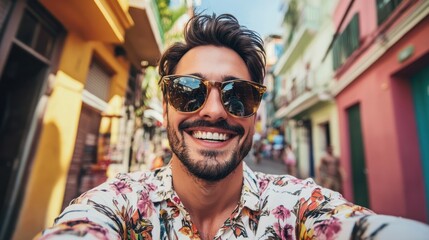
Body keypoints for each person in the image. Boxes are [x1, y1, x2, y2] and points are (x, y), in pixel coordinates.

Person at [38, 13, 429, 239]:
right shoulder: (117, 202)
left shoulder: (296, 206)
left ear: (255, 110)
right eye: (188, 90)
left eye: (237, 94)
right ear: (165, 105)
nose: (214, 110)